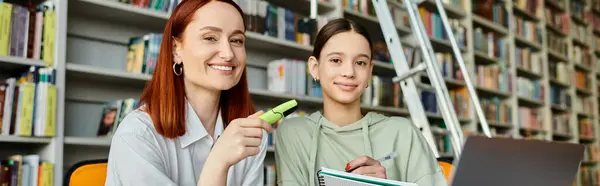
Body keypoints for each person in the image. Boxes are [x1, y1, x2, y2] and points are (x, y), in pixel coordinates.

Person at [104, 1, 273, 186]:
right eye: (210, 38)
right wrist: (218, 162)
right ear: (176, 50)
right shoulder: (137, 135)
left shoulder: (250, 136)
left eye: (236, 40)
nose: (228, 54)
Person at [274, 18, 447, 186]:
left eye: (360, 62)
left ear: (369, 72)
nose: (349, 72)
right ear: (314, 68)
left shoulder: (404, 133)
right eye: (336, 60)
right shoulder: (293, 134)